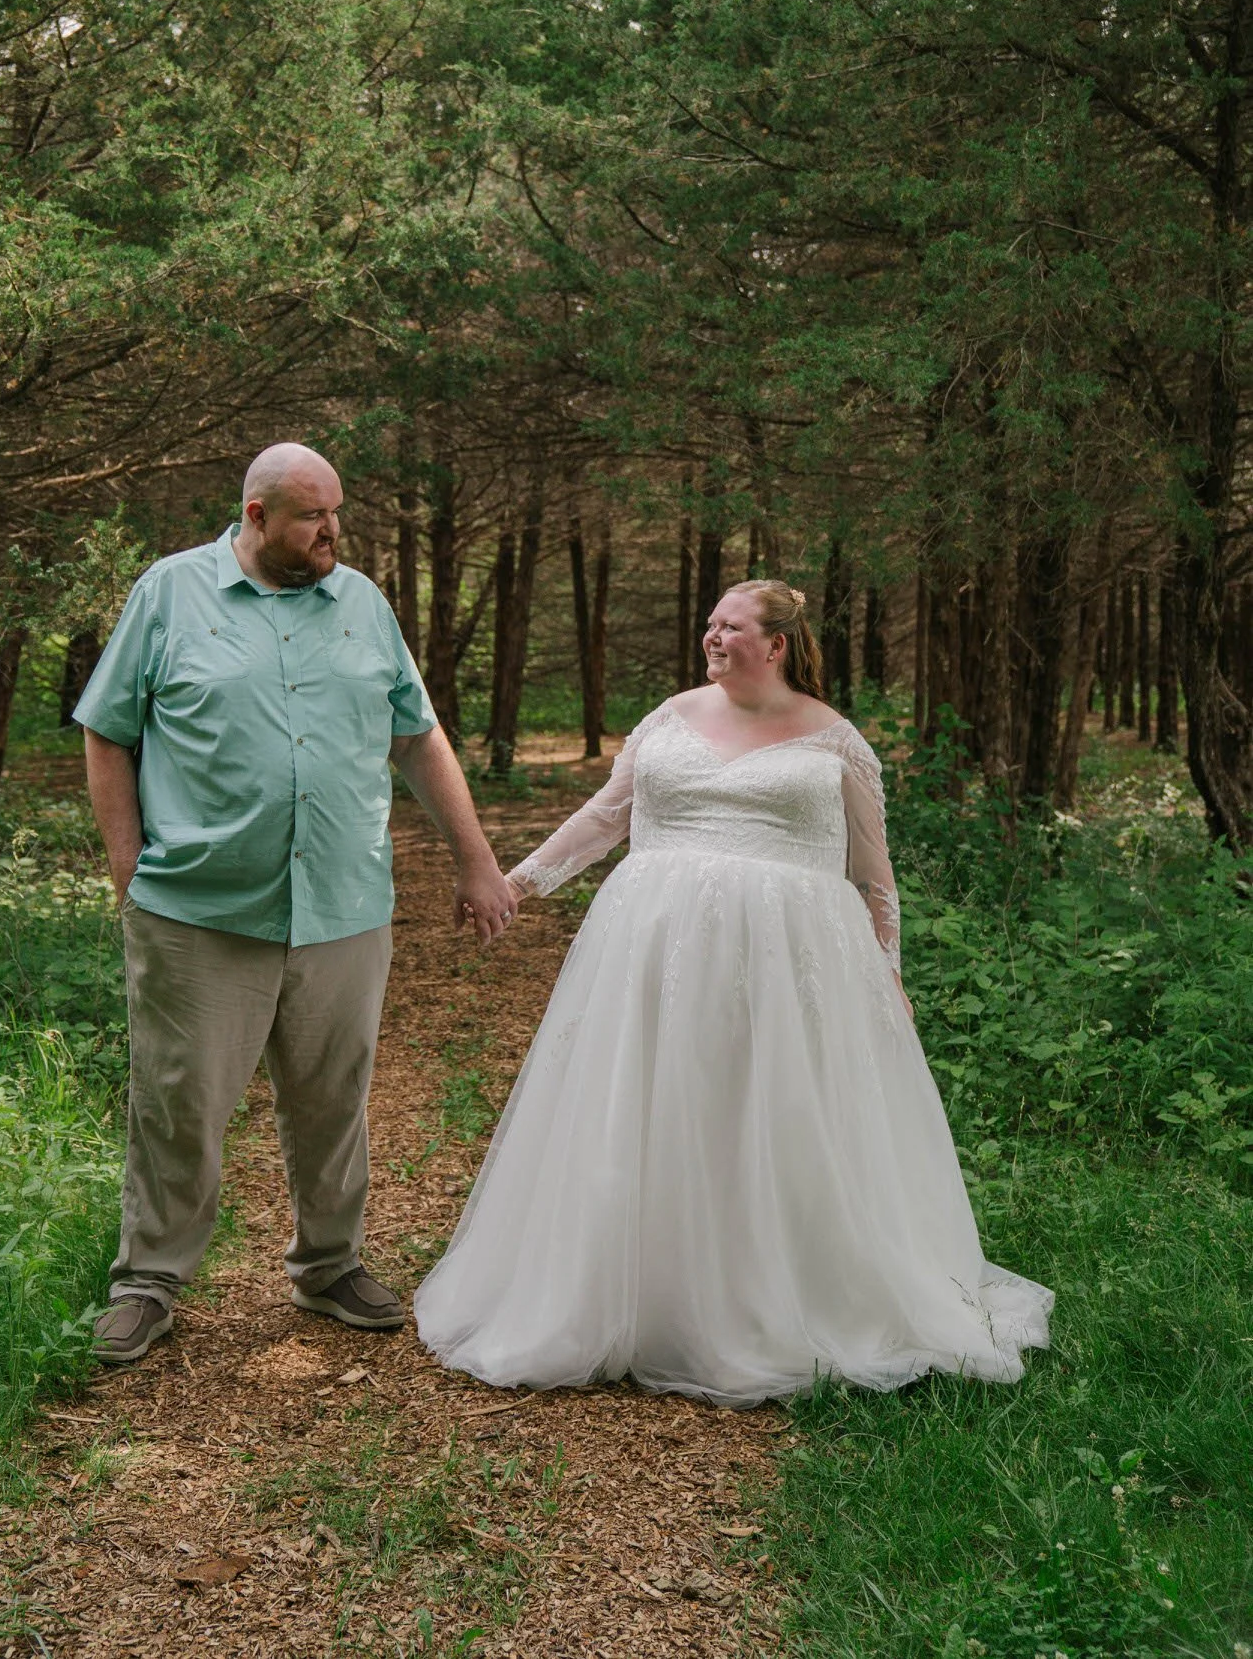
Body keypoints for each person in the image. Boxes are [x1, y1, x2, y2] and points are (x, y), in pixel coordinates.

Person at [415, 579, 1052, 1404]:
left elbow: (874, 877)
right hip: (653, 947)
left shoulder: (835, 742)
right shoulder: (670, 718)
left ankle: (768, 1298)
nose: (712, 637)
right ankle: (637, 1297)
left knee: (761, 1109)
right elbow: (606, 817)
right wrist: (516, 882)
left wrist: (887, 975)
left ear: (776, 644)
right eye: (710, 624)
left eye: (731, 627)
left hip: (786, 961)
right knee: (652, 1103)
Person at [76, 443, 515, 1365]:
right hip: (200, 907)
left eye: (336, 513)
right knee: (180, 1100)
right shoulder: (168, 594)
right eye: (313, 516)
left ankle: (329, 1265)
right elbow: (107, 730)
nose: (332, 532)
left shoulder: (361, 603)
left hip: (343, 902)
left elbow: (417, 736)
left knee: (332, 1098)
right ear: (258, 515)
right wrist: (128, 867)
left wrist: (476, 860)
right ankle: (149, 1281)